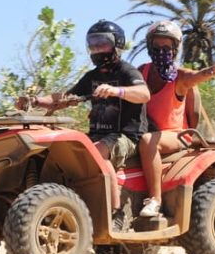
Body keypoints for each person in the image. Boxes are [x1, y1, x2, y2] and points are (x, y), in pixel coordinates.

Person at [16, 19, 151, 230]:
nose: (97, 49)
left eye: (102, 43)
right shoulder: (92, 77)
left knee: (97, 154)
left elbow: (144, 94)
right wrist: (35, 101)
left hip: (125, 136)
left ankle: (115, 213)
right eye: (93, 44)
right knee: (57, 156)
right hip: (96, 135)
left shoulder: (127, 71)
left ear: (117, 44)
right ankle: (49, 208)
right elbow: (64, 98)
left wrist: (117, 91)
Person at [137, 20, 215, 218]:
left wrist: (214, 70)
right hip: (148, 131)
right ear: (149, 46)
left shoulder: (179, 77)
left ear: (175, 48)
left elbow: (197, 76)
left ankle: (155, 200)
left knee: (147, 141)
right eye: (157, 46)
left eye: (167, 47)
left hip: (178, 135)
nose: (162, 51)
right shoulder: (141, 72)